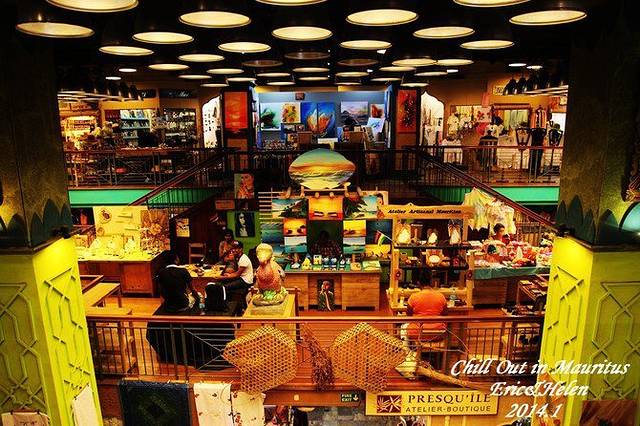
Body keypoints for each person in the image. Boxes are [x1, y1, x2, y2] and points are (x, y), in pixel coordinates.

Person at [218, 241, 254, 307]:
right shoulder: (238, 257)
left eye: (236, 248)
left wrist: (223, 277)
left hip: (246, 281)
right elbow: (234, 270)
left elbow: (237, 274)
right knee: (222, 282)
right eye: (233, 248)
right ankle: (229, 303)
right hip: (241, 277)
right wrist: (228, 274)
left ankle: (226, 306)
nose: (234, 250)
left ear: (241, 249)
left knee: (223, 287)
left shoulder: (243, 259)